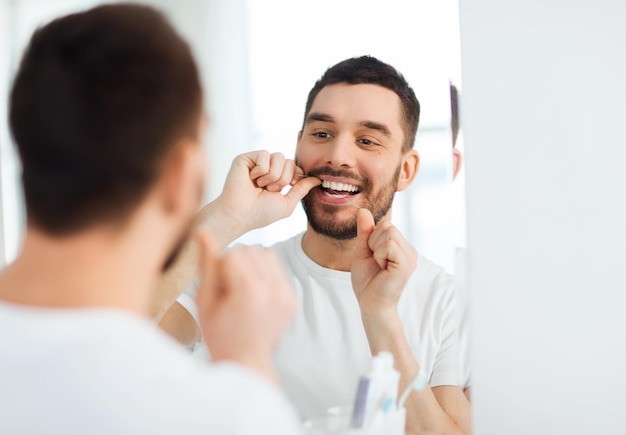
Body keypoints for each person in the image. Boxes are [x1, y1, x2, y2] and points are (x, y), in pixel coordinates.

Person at [0, 4, 311, 434]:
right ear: (183, 174)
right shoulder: (215, 412)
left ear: (24, 146)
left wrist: (229, 216)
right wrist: (249, 367)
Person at [158, 56, 472, 434]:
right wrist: (227, 217)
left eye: (367, 140)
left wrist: (382, 319)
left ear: (406, 170)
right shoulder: (236, 276)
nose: (337, 156)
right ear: (298, 146)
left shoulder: (446, 298)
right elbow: (114, 334)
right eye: (322, 134)